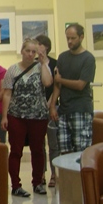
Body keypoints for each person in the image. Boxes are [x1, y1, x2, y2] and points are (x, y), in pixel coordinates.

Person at [1, 39, 53, 198]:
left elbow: (48, 83)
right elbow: (7, 94)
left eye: (33, 52)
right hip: (16, 115)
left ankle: (37, 182)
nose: (30, 54)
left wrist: (44, 63)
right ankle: (16, 185)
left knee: (37, 150)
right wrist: (4, 116)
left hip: (38, 116)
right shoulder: (12, 70)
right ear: (22, 51)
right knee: (16, 151)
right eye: (27, 51)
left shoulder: (41, 67)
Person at [50, 23, 96, 156]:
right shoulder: (62, 57)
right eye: (67, 38)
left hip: (81, 109)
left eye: (73, 38)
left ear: (81, 37)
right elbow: (57, 85)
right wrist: (52, 106)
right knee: (64, 150)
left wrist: (60, 80)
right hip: (64, 109)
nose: (69, 41)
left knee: (81, 151)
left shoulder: (88, 58)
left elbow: (80, 85)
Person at [35, 34, 59, 187]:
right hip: (36, 109)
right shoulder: (33, 64)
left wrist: (50, 104)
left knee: (53, 143)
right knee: (39, 144)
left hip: (52, 106)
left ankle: (54, 174)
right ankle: (41, 174)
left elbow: (56, 86)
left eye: (40, 44)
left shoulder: (55, 63)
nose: (37, 47)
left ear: (46, 47)